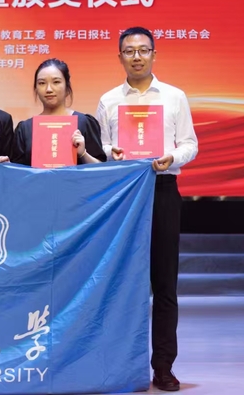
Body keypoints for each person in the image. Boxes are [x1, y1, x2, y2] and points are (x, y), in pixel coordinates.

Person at [95, 27, 198, 392]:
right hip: (124, 194)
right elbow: (101, 147)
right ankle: (120, 364)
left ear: (154, 54)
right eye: (129, 51)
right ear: (119, 57)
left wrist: (172, 157)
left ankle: (164, 367)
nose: (136, 57)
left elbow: (190, 144)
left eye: (143, 50)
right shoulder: (108, 100)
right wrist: (112, 154)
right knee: (122, 284)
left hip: (163, 189)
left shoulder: (174, 96)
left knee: (165, 284)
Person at [11, 58, 106, 166]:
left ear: (67, 87)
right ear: (36, 89)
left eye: (56, 82)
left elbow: (100, 168)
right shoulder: (25, 128)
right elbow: (18, 170)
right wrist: (5, 165)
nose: (48, 89)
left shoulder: (84, 122)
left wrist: (83, 154)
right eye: (42, 83)